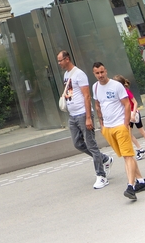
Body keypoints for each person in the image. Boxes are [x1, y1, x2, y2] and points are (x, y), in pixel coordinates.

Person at [92, 62, 145, 200]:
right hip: (108, 128)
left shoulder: (116, 86)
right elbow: (98, 105)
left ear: (106, 71)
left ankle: (130, 186)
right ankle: (141, 181)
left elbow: (127, 104)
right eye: (97, 73)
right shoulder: (95, 87)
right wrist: (101, 124)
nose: (100, 75)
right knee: (126, 156)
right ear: (94, 74)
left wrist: (125, 124)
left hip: (120, 126)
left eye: (102, 72)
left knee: (127, 156)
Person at [57, 51, 112, 189]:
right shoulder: (66, 75)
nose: (59, 63)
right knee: (77, 143)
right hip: (72, 115)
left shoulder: (79, 74)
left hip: (82, 114)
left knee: (91, 144)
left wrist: (88, 117)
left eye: (60, 60)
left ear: (67, 59)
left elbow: (87, 96)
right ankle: (104, 159)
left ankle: (101, 176)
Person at [114, 74, 145, 161]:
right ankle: (140, 149)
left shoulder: (126, 91)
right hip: (129, 115)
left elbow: (135, 102)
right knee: (129, 134)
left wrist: (133, 114)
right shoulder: (120, 93)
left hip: (134, 114)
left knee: (142, 132)